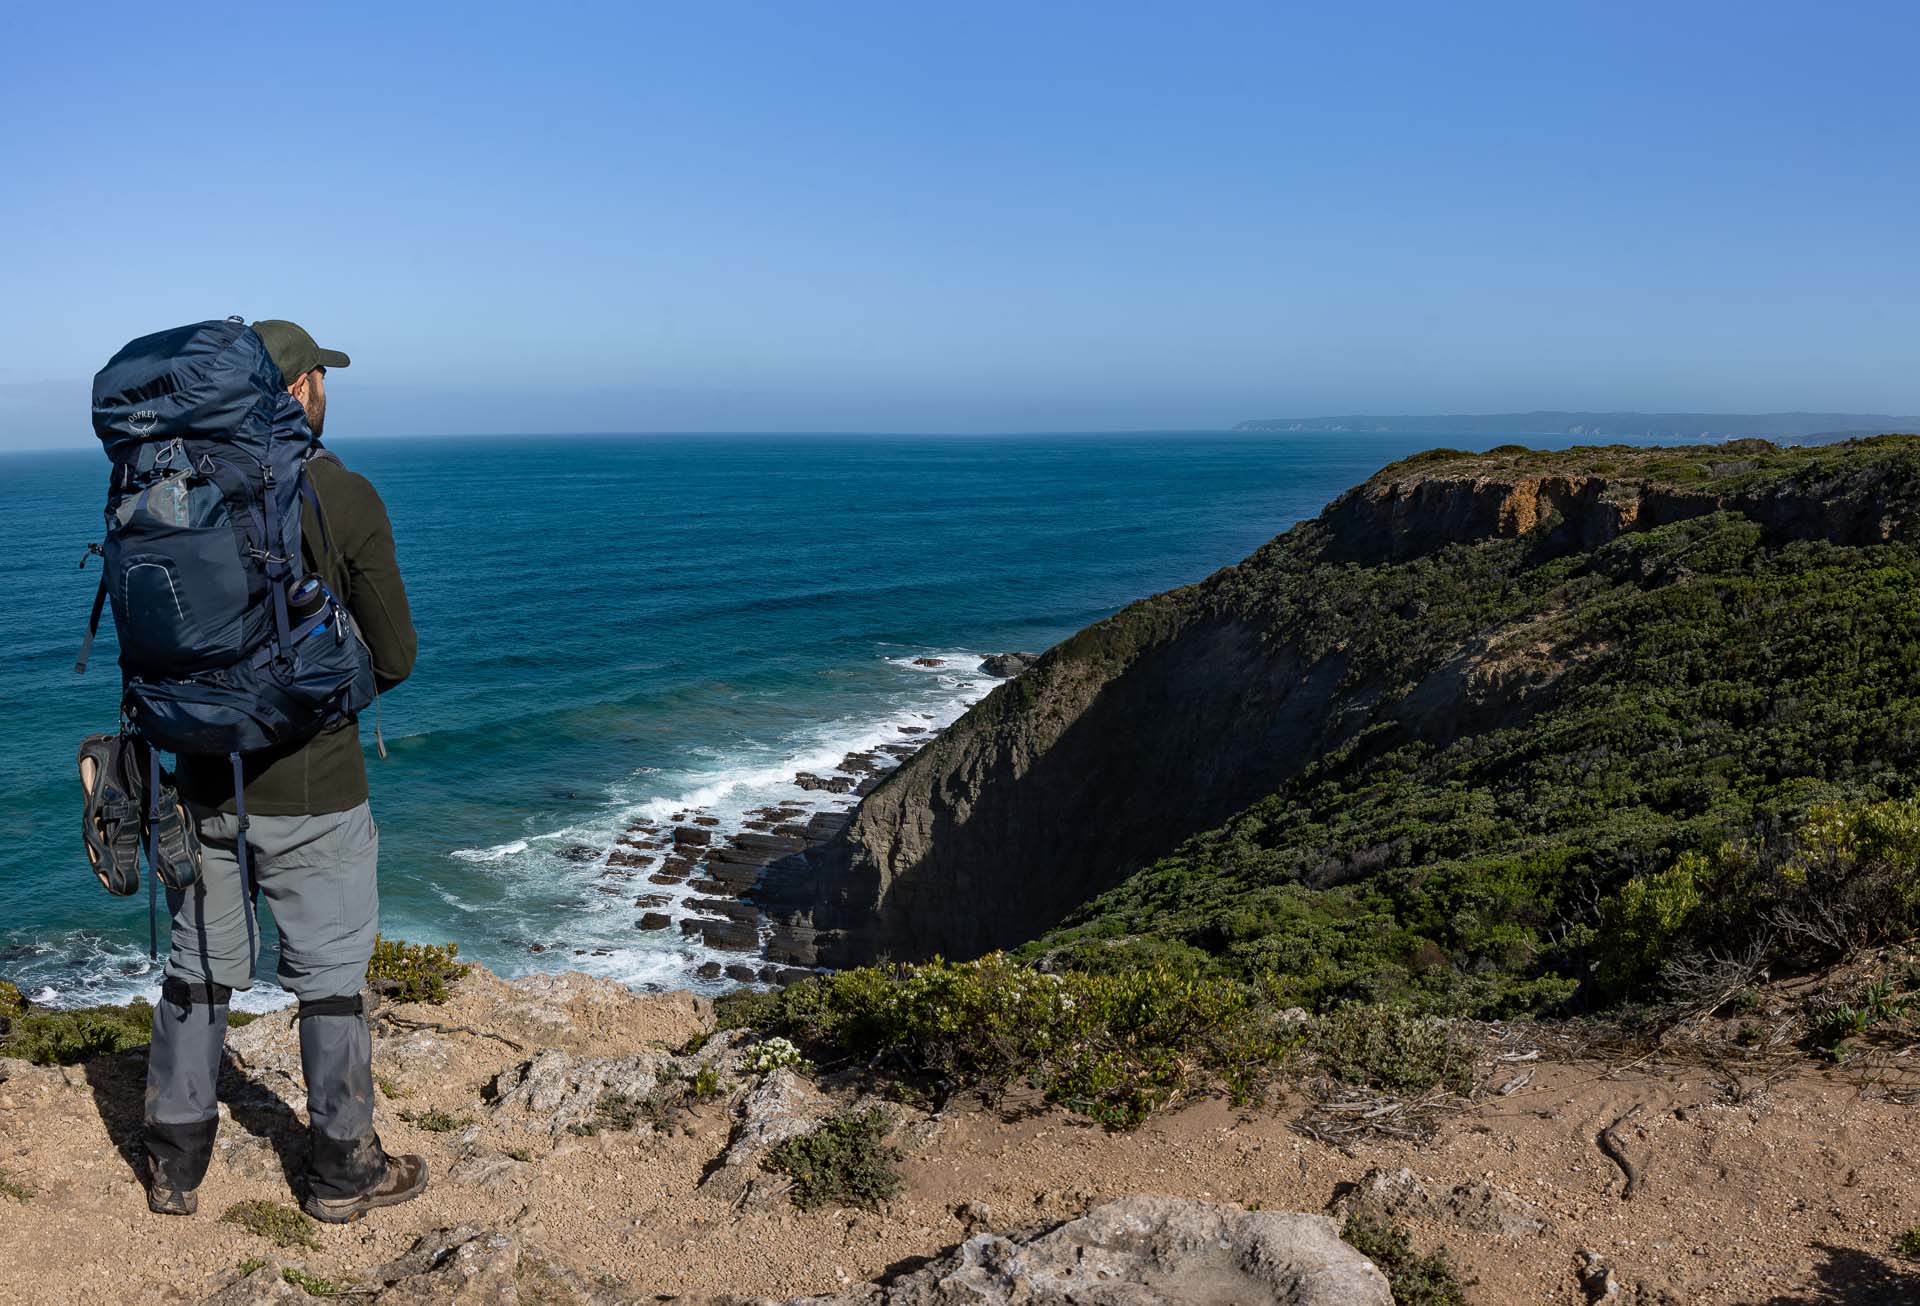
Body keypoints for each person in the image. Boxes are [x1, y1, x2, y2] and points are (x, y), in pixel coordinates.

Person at [142, 319, 426, 1223]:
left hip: (196, 776)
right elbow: (397, 655)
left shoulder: (170, 491)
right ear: (300, 390)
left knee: (198, 967)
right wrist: (312, 703)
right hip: (314, 787)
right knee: (329, 977)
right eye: (319, 378)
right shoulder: (341, 496)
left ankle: (172, 1169)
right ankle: (343, 1173)